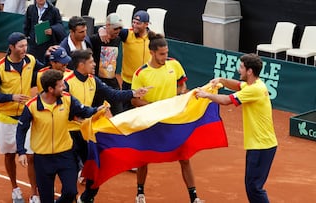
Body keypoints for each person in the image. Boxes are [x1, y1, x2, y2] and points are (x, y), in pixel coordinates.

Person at [63, 49, 149, 203]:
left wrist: (134, 93)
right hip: (67, 133)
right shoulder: (66, 82)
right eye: (91, 62)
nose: (95, 64)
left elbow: (112, 94)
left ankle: (86, 198)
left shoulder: (92, 80)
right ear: (81, 65)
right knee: (70, 174)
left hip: (86, 131)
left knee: (95, 171)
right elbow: (63, 109)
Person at [131, 32, 203, 203]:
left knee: (184, 158)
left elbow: (182, 83)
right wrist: (154, 107)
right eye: (162, 54)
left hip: (172, 119)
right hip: (151, 121)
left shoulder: (174, 64)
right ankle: (140, 194)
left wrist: (182, 92)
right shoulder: (141, 73)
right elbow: (134, 100)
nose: (165, 56)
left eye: (166, 53)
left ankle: (194, 197)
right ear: (152, 53)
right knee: (144, 158)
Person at [195, 53, 278, 203]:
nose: (239, 70)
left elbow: (227, 100)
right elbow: (237, 85)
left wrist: (206, 95)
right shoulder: (254, 84)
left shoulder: (254, 90)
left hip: (262, 146)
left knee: (254, 187)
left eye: (241, 67)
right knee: (251, 186)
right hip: (259, 145)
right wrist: (221, 80)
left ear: (249, 71)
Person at [16, 69, 106, 203]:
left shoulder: (67, 99)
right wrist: (21, 151)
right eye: (60, 85)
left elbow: (83, 110)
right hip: (43, 158)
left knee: (71, 192)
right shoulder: (32, 106)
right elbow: (21, 129)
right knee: (46, 198)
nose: (64, 87)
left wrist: (96, 110)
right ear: (51, 89)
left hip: (65, 155)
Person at [0, 32, 44, 203]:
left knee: (31, 156)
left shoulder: (30, 60)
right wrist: (11, 97)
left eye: (25, 45)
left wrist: (50, 56)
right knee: (10, 155)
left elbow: (43, 69)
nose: (24, 49)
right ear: (11, 47)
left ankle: (34, 192)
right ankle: (15, 188)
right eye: (21, 46)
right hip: (6, 119)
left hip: (25, 118)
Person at [90, 12, 124, 115]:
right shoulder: (95, 39)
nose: (118, 31)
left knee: (118, 112)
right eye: (115, 29)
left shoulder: (118, 39)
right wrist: (100, 29)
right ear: (107, 26)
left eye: (119, 29)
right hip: (97, 83)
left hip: (112, 81)